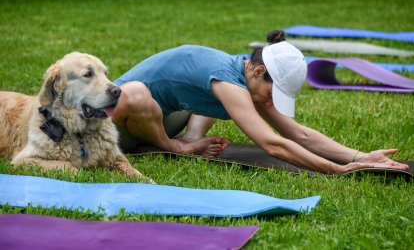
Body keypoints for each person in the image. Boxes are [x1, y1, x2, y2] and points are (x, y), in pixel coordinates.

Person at [112, 30, 409, 174]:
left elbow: (297, 133)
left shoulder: (248, 78)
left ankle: (189, 138)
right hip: (112, 124)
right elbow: (273, 145)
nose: (272, 102)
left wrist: (359, 157)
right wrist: (337, 170)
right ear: (258, 71)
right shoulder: (228, 80)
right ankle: (176, 145)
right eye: (273, 92)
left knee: (229, 99)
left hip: (160, 116)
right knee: (137, 92)